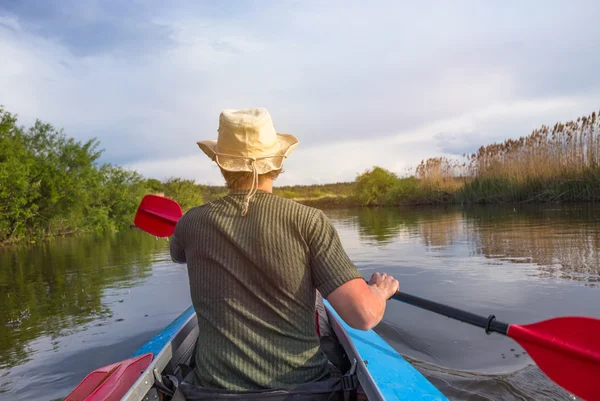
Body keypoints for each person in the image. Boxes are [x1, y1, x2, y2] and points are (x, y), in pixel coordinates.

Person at [169, 107, 400, 393]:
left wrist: (185, 227)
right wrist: (378, 291)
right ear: (277, 162)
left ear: (221, 164)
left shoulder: (191, 222)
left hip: (212, 393)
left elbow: (177, 254)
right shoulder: (308, 221)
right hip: (304, 391)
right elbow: (363, 316)